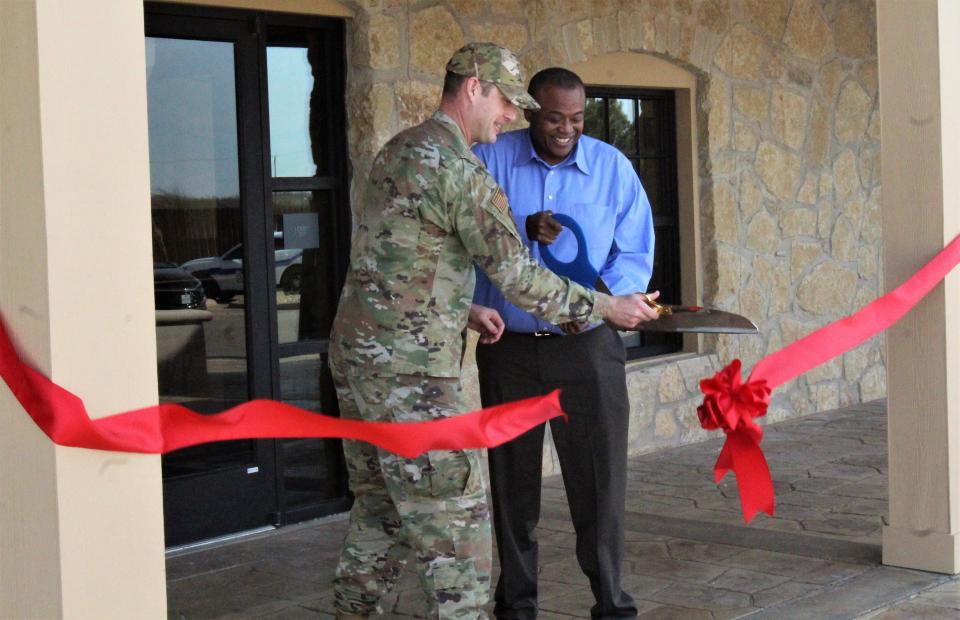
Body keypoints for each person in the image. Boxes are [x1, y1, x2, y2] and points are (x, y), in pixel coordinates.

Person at [328, 45, 660, 620]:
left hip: (359, 360)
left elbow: (390, 262)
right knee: (457, 532)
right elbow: (521, 278)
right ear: (475, 86)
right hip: (416, 378)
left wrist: (461, 310)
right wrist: (605, 307)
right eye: (508, 102)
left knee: (379, 513)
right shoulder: (464, 170)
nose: (511, 117)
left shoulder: (398, 151)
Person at [472, 67, 656, 619]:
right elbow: (463, 239)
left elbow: (634, 251)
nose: (565, 129)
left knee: (599, 487)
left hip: (589, 350)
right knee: (513, 491)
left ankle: (612, 604)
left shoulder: (611, 167)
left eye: (576, 119)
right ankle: (516, 607)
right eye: (554, 118)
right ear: (530, 112)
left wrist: (605, 298)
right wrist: (517, 229)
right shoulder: (490, 160)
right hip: (509, 349)